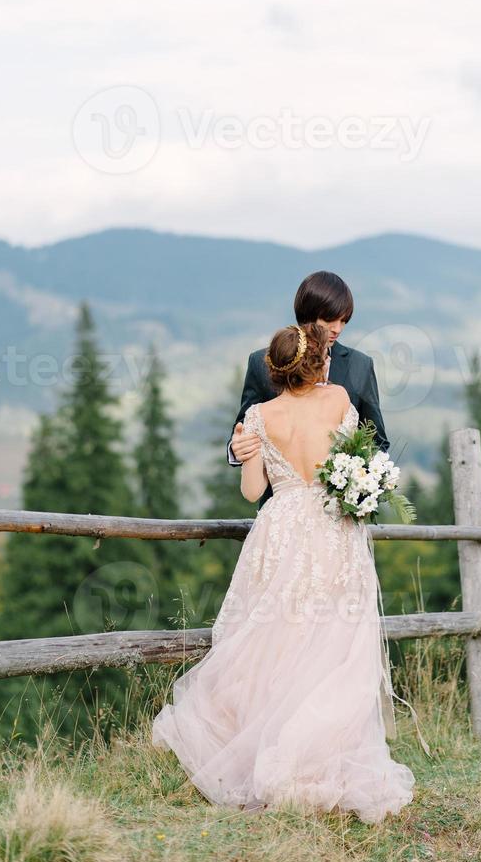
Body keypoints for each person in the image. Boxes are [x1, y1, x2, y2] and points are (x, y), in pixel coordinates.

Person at [152, 321, 416, 823]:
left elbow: (253, 493)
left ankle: (265, 753)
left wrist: (249, 450)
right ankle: (320, 759)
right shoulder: (339, 399)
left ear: (272, 370)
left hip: (280, 532)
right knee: (334, 644)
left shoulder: (256, 417)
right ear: (317, 364)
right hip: (334, 531)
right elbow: (361, 455)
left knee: (274, 641)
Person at [227, 271, 389, 510]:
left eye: (344, 321)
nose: (337, 329)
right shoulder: (262, 362)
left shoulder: (360, 366)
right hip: (281, 514)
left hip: (340, 517)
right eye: (330, 320)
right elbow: (245, 428)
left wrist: (355, 486)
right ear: (307, 316)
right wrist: (235, 449)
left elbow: (377, 442)